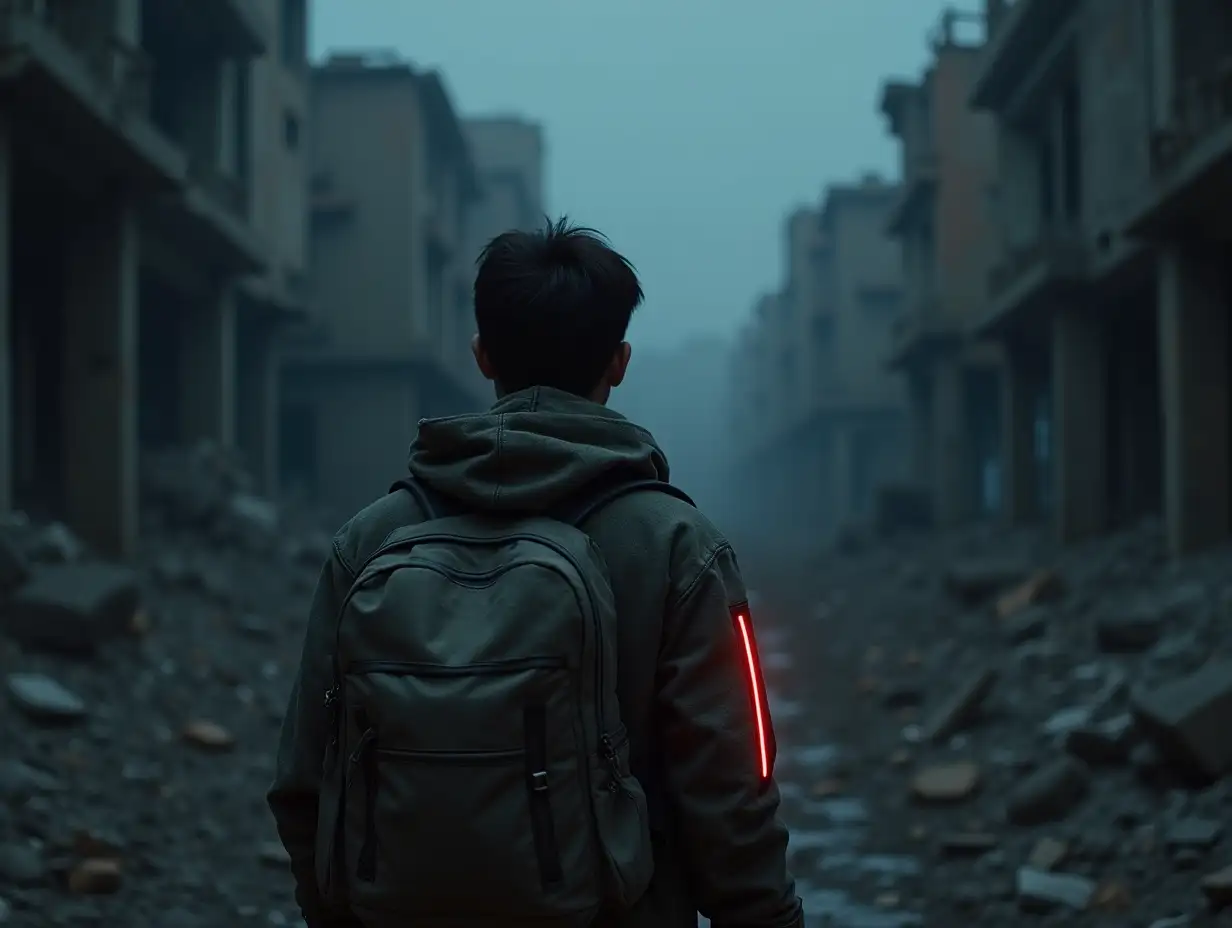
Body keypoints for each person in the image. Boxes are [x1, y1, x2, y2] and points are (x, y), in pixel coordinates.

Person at [268, 218, 803, 928]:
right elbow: (734, 790)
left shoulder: (370, 540)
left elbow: (304, 783)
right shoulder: (680, 545)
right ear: (619, 362)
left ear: (482, 355)